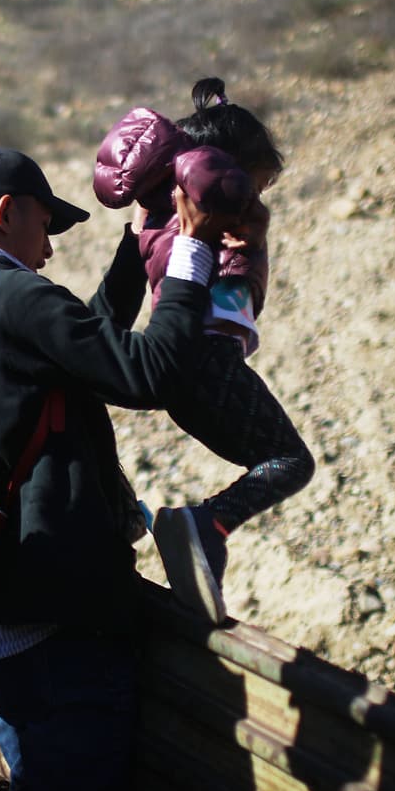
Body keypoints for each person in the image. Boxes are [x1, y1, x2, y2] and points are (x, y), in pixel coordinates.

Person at [0, 146, 231, 791]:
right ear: (8, 213)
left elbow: (74, 357)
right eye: (44, 227)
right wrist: (191, 254)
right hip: (60, 634)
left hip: (5, 624)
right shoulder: (13, 295)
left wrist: (132, 260)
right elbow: (147, 373)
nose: (50, 251)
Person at [96, 77, 315, 625]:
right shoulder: (202, 221)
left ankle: (203, 542)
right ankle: (205, 525)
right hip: (208, 360)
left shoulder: (172, 219)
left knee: (276, 459)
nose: (257, 201)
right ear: (224, 175)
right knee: (291, 461)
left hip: (190, 370)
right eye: (255, 187)